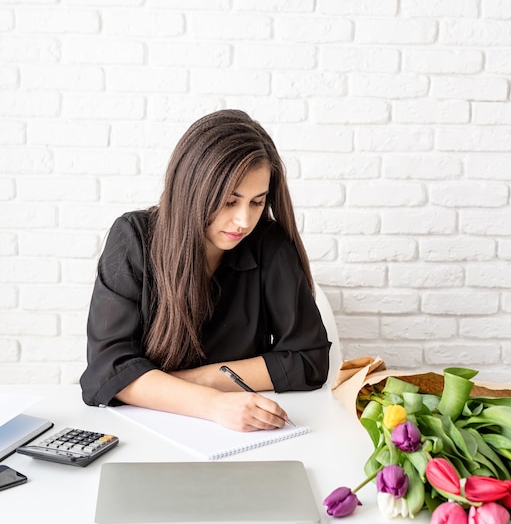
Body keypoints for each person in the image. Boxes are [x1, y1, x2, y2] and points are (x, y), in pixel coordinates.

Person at [80, 109, 330, 432]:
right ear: (194, 190)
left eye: (257, 202)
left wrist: (197, 381)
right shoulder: (133, 239)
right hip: (146, 432)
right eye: (230, 201)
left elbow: (310, 360)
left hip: (240, 436)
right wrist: (212, 403)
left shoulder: (269, 244)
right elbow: (105, 373)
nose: (244, 221)